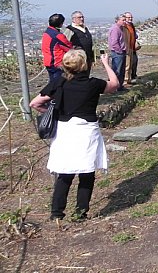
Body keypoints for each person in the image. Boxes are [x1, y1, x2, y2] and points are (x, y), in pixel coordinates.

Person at [30, 49, 119, 221]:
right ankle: (80, 213)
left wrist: (51, 112)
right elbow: (114, 84)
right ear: (85, 65)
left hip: (65, 131)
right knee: (87, 172)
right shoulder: (92, 84)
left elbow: (35, 103)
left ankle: (56, 213)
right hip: (86, 131)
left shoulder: (59, 83)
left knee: (65, 173)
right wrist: (106, 63)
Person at [41, 13, 73, 82]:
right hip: (57, 63)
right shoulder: (57, 35)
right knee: (59, 83)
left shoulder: (46, 33)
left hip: (48, 61)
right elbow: (68, 47)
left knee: (52, 82)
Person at [108, 14, 128, 91]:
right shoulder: (115, 29)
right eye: (123, 20)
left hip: (121, 52)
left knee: (121, 70)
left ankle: (119, 86)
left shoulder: (120, 28)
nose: (125, 21)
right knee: (117, 70)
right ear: (117, 20)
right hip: (117, 53)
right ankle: (113, 87)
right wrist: (119, 51)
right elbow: (114, 43)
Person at [122, 12, 139, 84]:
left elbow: (134, 34)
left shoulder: (131, 25)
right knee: (127, 65)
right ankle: (126, 80)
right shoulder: (124, 26)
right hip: (127, 48)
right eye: (129, 17)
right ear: (125, 18)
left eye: (131, 17)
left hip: (132, 48)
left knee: (134, 62)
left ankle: (132, 76)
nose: (130, 19)